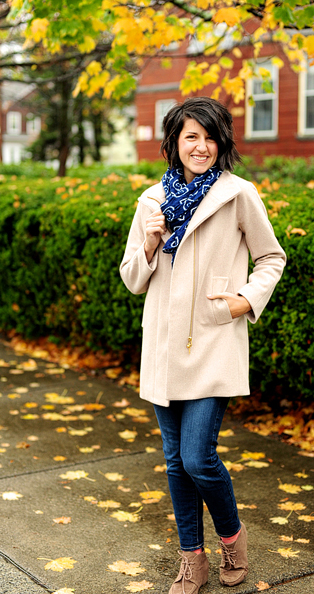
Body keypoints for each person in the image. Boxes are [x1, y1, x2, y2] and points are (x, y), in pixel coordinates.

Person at [119, 97, 285, 594]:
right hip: (164, 347)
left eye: (210, 137)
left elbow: (272, 257)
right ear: (174, 143)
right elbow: (132, 279)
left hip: (212, 341)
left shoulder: (239, 195)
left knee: (197, 458)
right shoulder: (151, 201)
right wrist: (149, 243)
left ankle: (232, 539)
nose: (202, 146)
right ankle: (193, 559)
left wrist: (243, 301)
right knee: (174, 462)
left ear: (222, 143)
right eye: (191, 136)